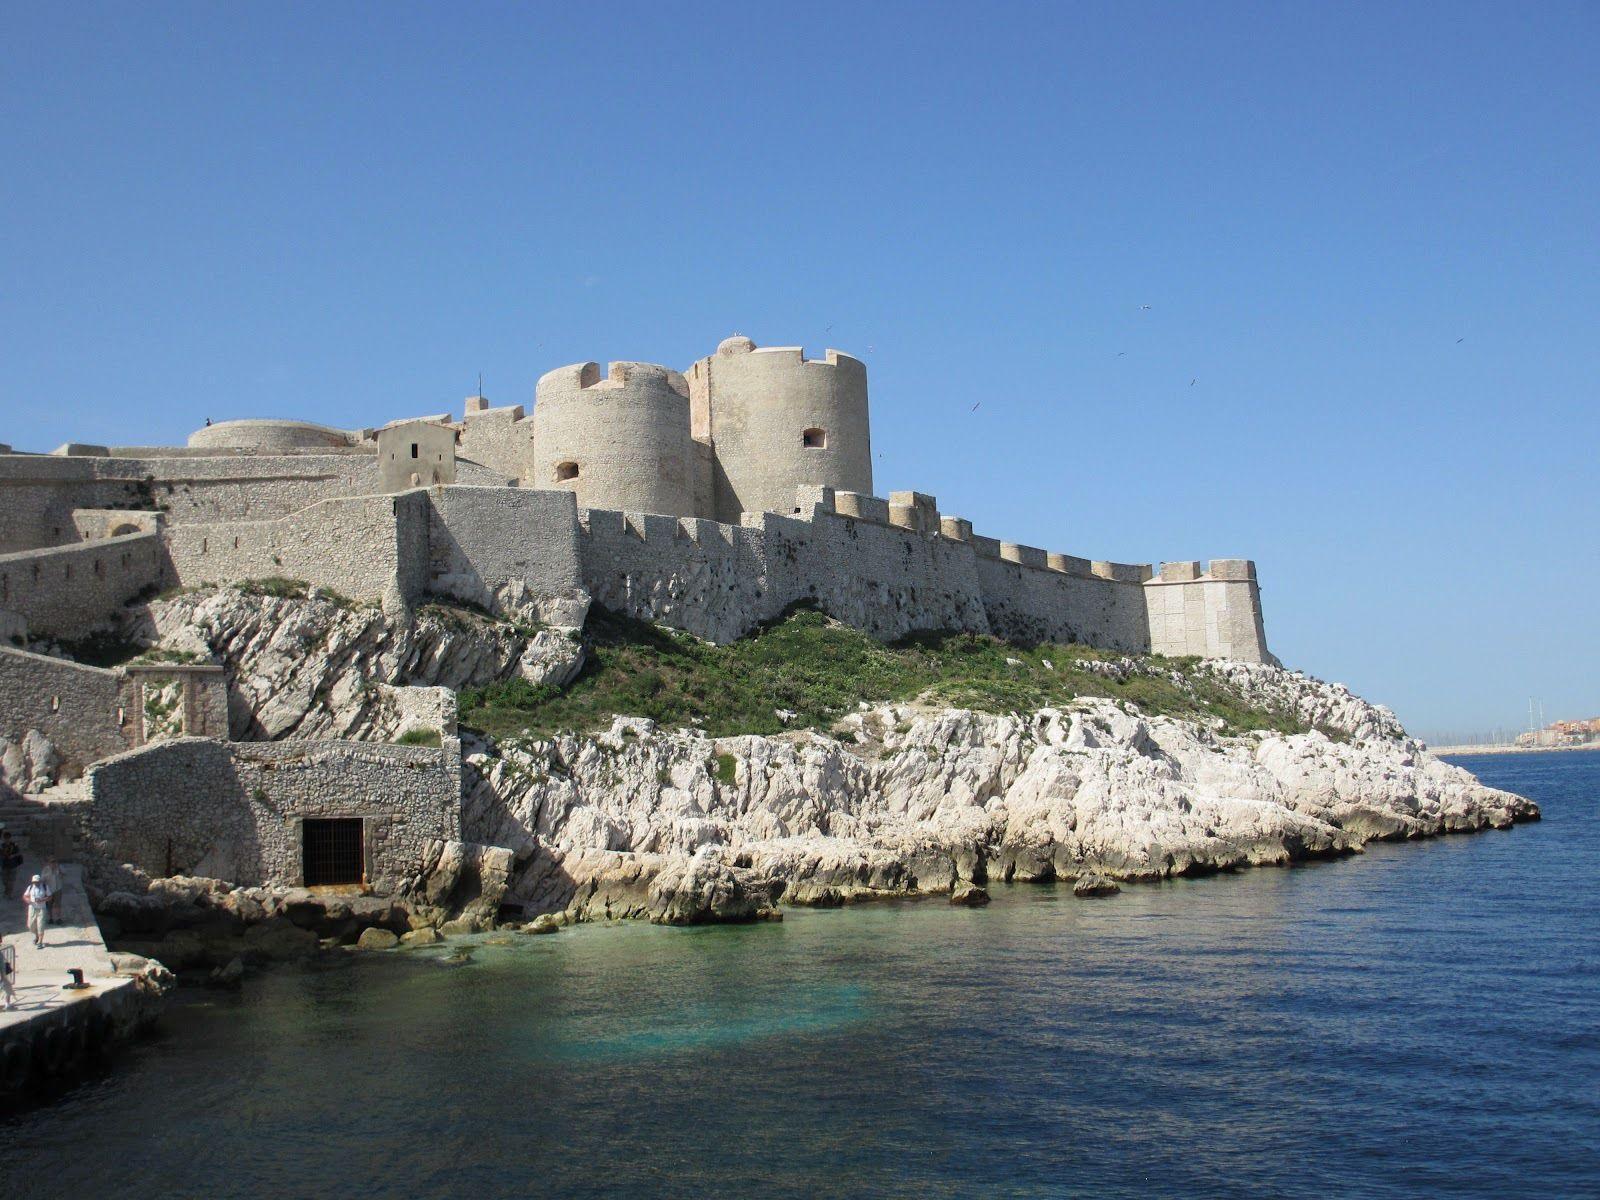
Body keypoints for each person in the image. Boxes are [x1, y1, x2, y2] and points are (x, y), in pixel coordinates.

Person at [22, 875, 49, 949]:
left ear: (40, 881)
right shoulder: (30, 887)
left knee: (41, 925)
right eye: (34, 882)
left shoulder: (44, 887)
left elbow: (50, 896)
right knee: (30, 925)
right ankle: (36, 935)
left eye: (37, 882)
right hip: (32, 908)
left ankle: (40, 941)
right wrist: (28, 900)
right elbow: (25, 896)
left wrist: (42, 900)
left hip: (42, 908)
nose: (35, 883)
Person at [41, 857, 63, 922]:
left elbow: (64, 874)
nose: (53, 863)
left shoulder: (59, 868)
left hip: (58, 889)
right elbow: (42, 879)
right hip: (49, 890)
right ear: (49, 863)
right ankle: (50, 918)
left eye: (54, 862)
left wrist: (59, 870)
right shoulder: (46, 869)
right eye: (51, 862)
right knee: (49, 905)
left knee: (58, 904)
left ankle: (58, 918)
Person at [0, 831, 19, 898]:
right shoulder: (2, 846)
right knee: (4, 881)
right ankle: (6, 891)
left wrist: (13, 855)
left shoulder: (14, 845)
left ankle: (10, 894)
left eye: (8, 838)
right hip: (4, 865)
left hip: (12, 865)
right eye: (6, 838)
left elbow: (18, 853)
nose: (7, 839)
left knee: (11, 881)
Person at [0, 937, 15, 1010]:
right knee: (7, 987)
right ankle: (7, 1004)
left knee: (7, 988)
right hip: (2, 976)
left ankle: (7, 1004)